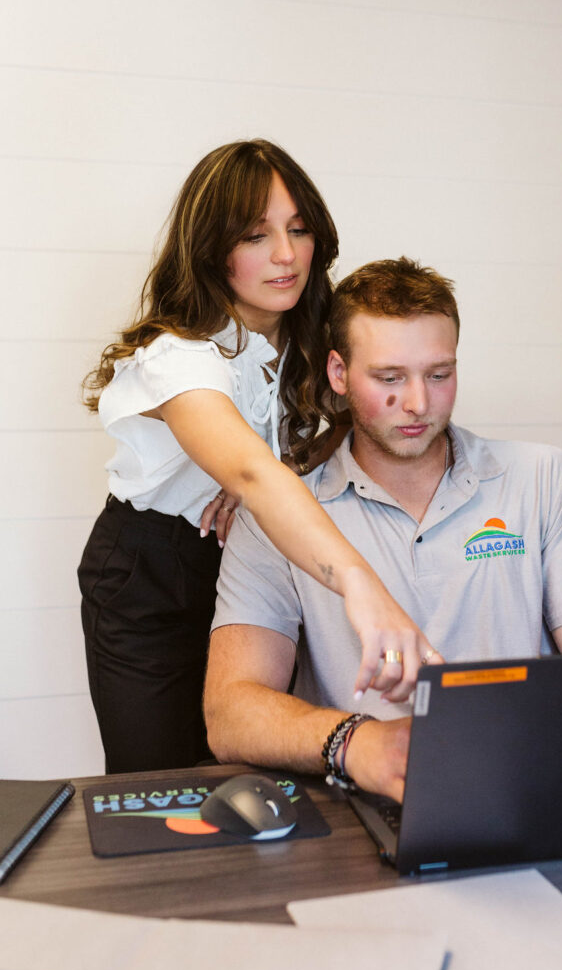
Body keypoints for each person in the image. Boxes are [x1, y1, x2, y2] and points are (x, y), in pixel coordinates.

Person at [204, 256, 562, 803]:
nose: (418, 403)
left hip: (532, 786)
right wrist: (355, 742)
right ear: (338, 373)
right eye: (389, 378)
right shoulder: (278, 513)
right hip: (362, 799)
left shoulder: (542, 478)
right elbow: (230, 713)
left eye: (439, 374)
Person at [78, 146, 437, 774]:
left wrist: (284, 468)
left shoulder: (306, 340)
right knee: (164, 785)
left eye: (299, 229)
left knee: (257, 770)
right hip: (152, 571)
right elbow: (249, 469)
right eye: (257, 234)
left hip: (254, 561)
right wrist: (361, 584)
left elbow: (363, 419)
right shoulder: (179, 356)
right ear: (214, 248)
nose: (286, 254)